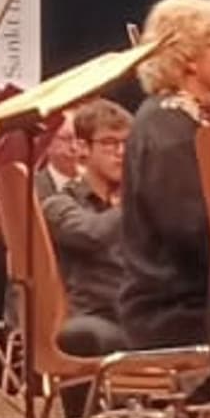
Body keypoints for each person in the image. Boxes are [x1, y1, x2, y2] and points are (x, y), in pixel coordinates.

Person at [42, 99, 134, 355]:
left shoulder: (137, 205)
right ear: (82, 147)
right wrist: (134, 203)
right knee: (83, 335)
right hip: (96, 317)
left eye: (128, 143)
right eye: (109, 143)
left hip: (144, 314)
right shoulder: (58, 204)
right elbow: (91, 234)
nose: (121, 152)